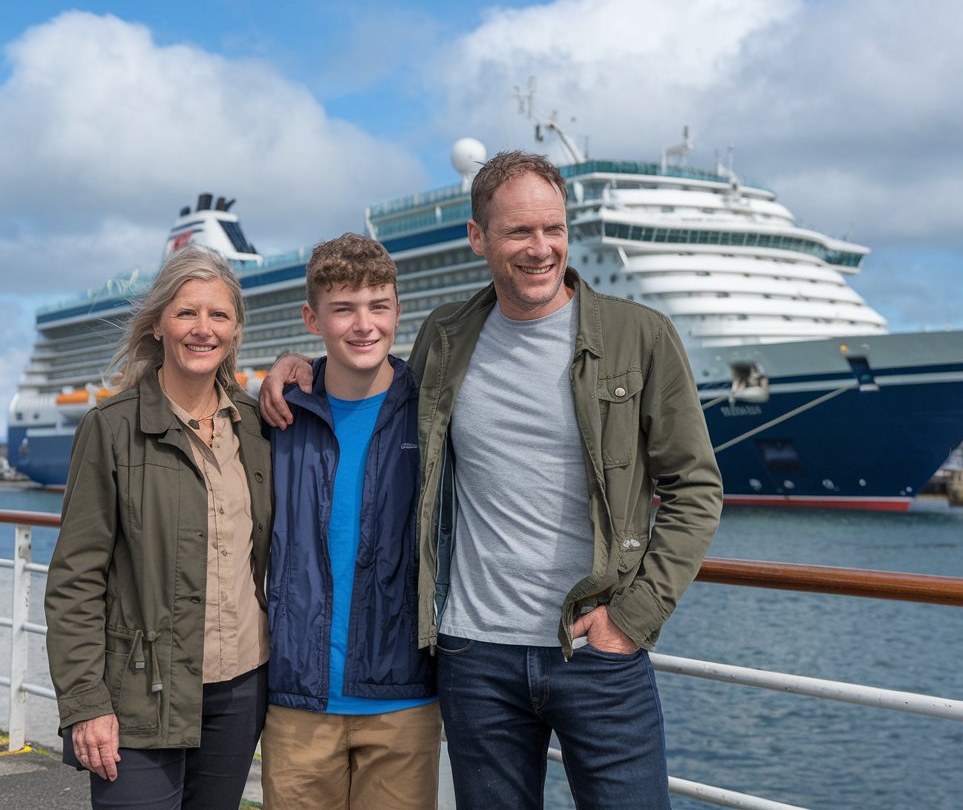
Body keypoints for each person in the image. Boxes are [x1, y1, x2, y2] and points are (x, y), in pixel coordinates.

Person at [259, 150, 723, 809]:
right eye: (519, 232)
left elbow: (696, 489)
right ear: (478, 238)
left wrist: (634, 615)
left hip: (596, 648)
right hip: (474, 656)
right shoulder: (447, 337)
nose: (542, 249)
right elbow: (365, 379)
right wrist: (292, 366)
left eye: (554, 229)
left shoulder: (639, 336)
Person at [45, 245, 272, 810]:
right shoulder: (111, 428)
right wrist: (85, 703)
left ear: (236, 327)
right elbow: (75, 580)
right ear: (159, 325)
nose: (203, 329)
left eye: (218, 315)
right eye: (187, 313)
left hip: (241, 687)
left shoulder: (257, 427)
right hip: (139, 693)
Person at [260, 233, 438, 810]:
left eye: (378, 306)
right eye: (343, 309)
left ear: (397, 311)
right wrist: (278, 373)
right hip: (297, 700)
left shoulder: (433, 410)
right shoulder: (279, 418)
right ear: (313, 319)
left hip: (402, 700)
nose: (364, 325)